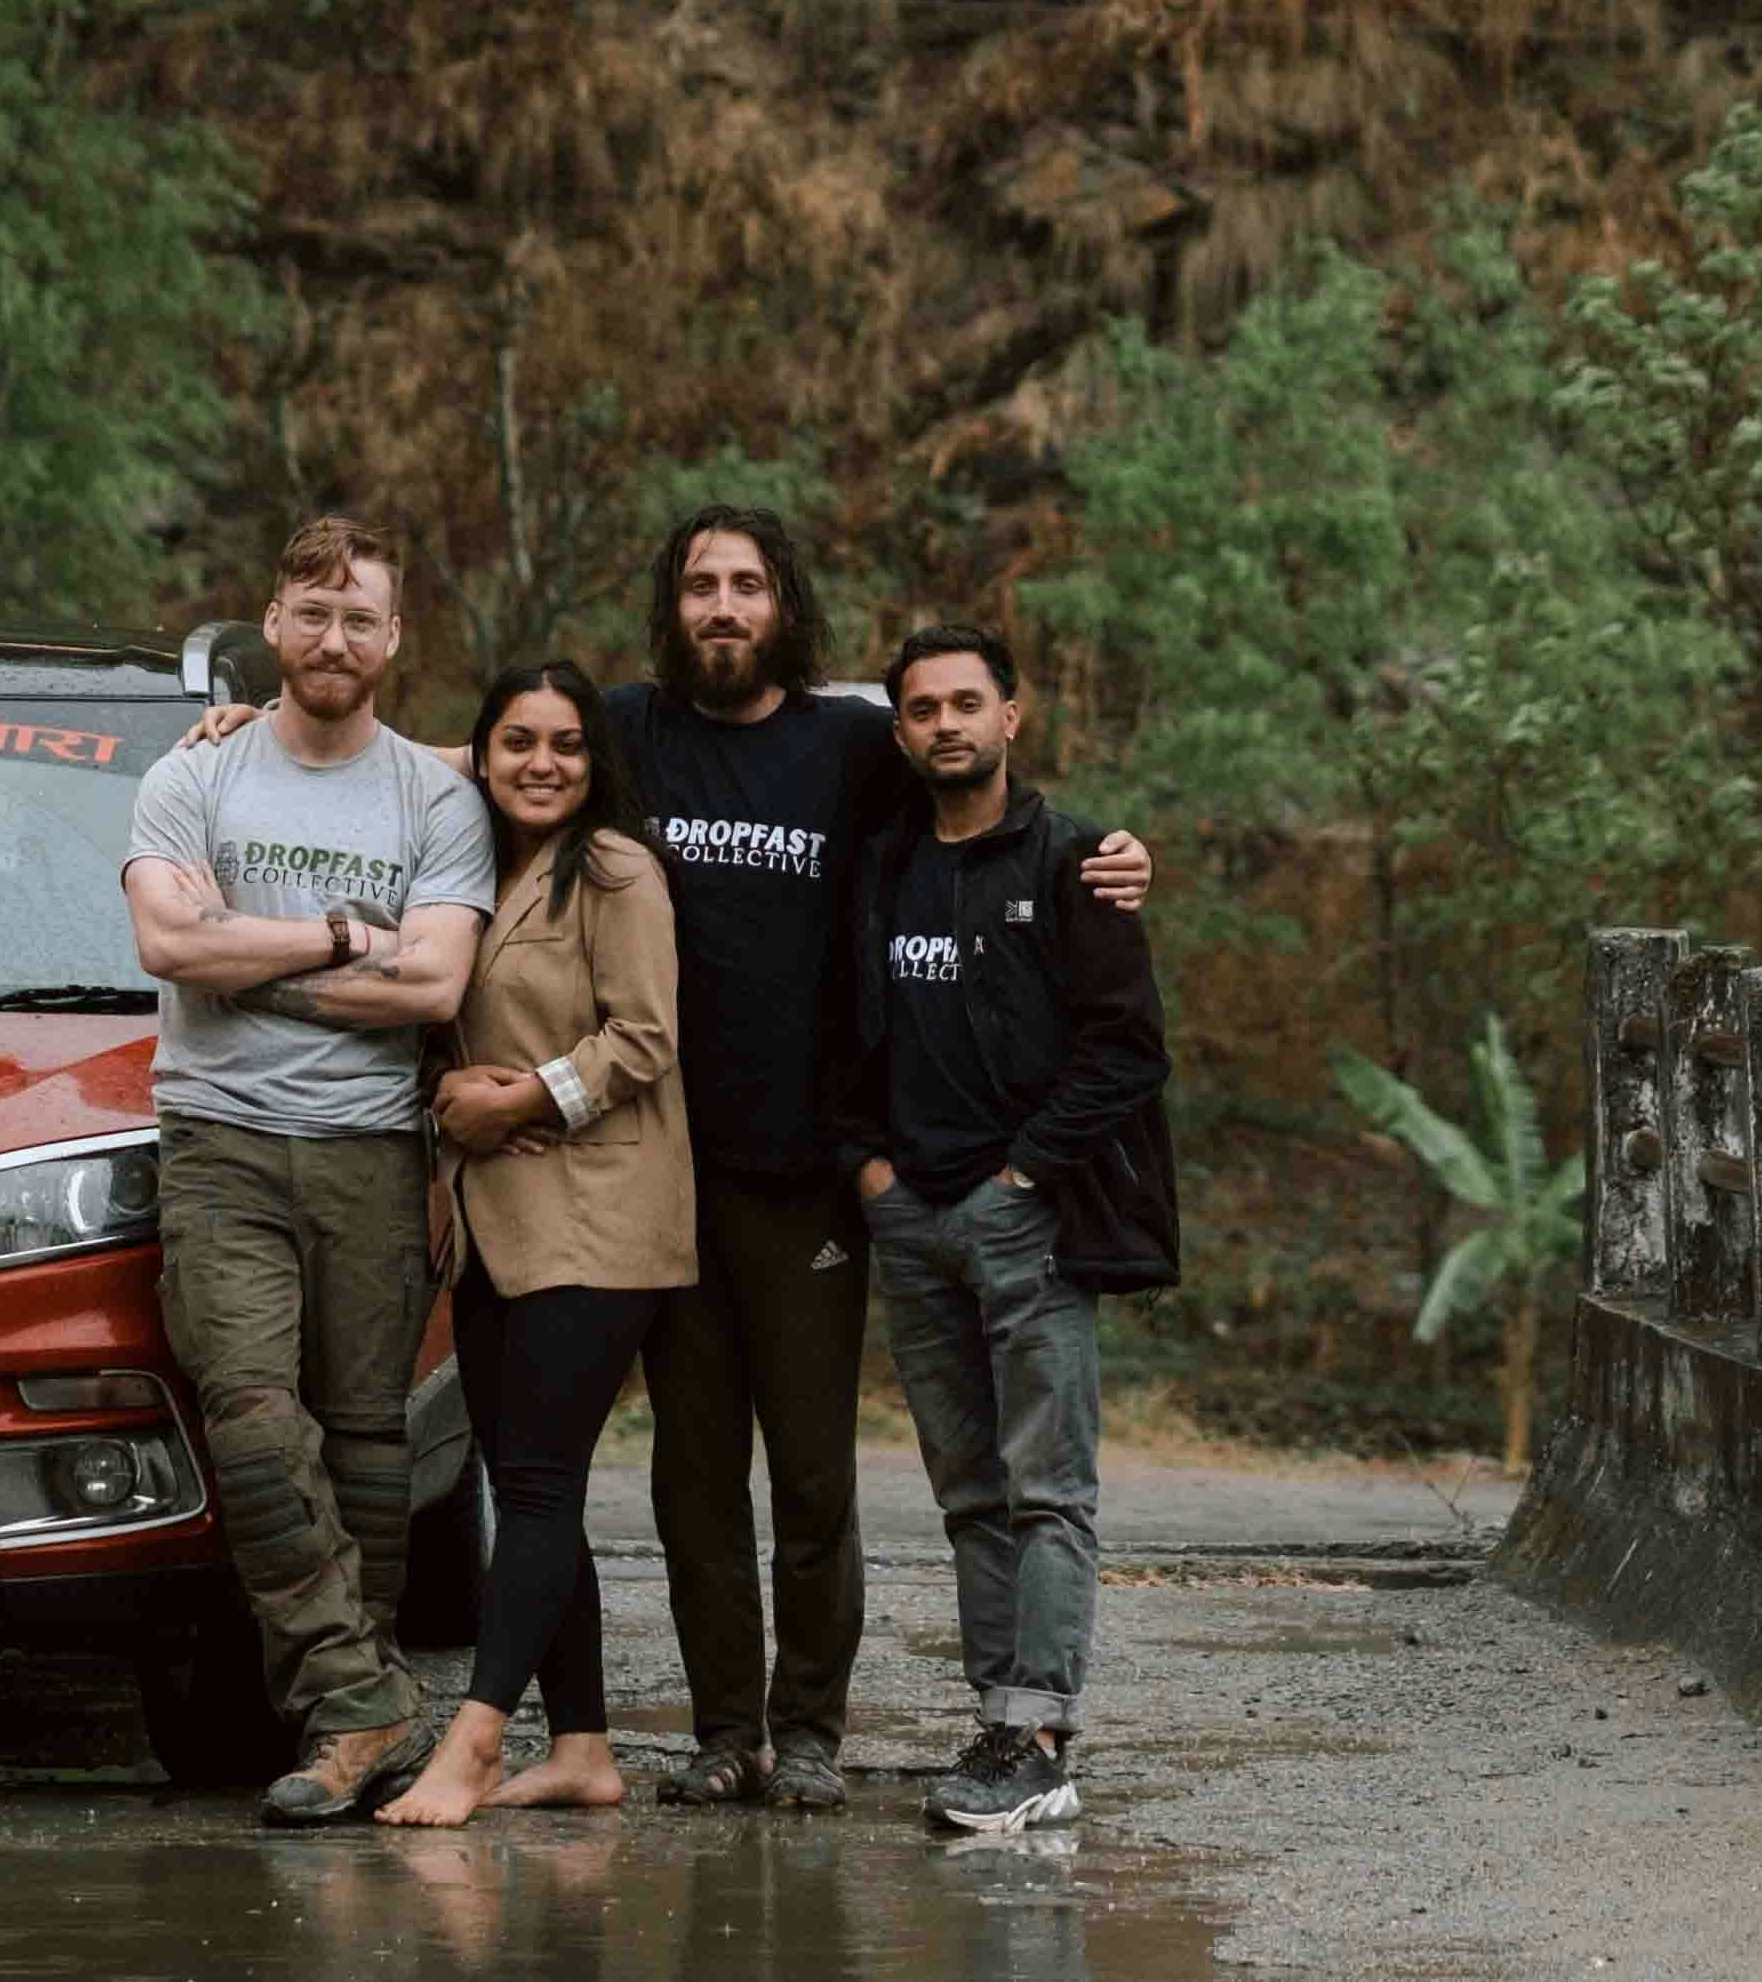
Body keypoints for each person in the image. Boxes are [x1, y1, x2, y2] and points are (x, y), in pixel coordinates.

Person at [604, 511, 1148, 1810]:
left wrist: (1112, 851)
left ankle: (811, 1733)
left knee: (815, 1474)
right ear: (673, 607)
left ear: (784, 602)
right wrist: (273, 721)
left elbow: (987, 792)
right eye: (700, 583)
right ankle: (725, 1728)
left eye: (746, 582)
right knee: (693, 1475)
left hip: (817, 1185)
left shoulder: (852, 742)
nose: (723, 603)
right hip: (666, 1172)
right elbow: (498, 753)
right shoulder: (630, 729)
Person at [123, 514, 492, 1823]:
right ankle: (356, 1691)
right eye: (312, 610)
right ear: (271, 624)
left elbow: (437, 976)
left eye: (361, 615)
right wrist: (342, 934)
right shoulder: (193, 775)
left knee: (370, 1436)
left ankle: (353, 1711)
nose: (334, 636)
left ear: (393, 637)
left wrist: (254, 953)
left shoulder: (434, 795)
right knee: (255, 1416)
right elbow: (172, 942)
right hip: (218, 1138)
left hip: (375, 1147)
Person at [849, 620, 1174, 1836]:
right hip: (911, 1219)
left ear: (1011, 716)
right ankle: (999, 1718)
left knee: (1047, 1485)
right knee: (968, 1492)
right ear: (900, 730)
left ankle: (1040, 1732)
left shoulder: (1078, 860)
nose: (947, 723)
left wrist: (1026, 1176)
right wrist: (873, 1172)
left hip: (1023, 1219)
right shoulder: (882, 866)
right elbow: (845, 1036)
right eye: (923, 707)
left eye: (967, 702)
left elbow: (1127, 1051)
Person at [383, 659, 691, 1829]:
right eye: (517, 741)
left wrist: (524, 1100)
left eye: (566, 742)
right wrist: (450, 1094)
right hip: (494, 1222)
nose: (543, 763)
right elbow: (441, 1039)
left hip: (602, 1215)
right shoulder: (468, 865)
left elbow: (646, 1035)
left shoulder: (615, 868)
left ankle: (472, 1737)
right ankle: (582, 1745)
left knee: (543, 1482)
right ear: (485, 750)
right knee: (526, 1490)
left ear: (593, 757)